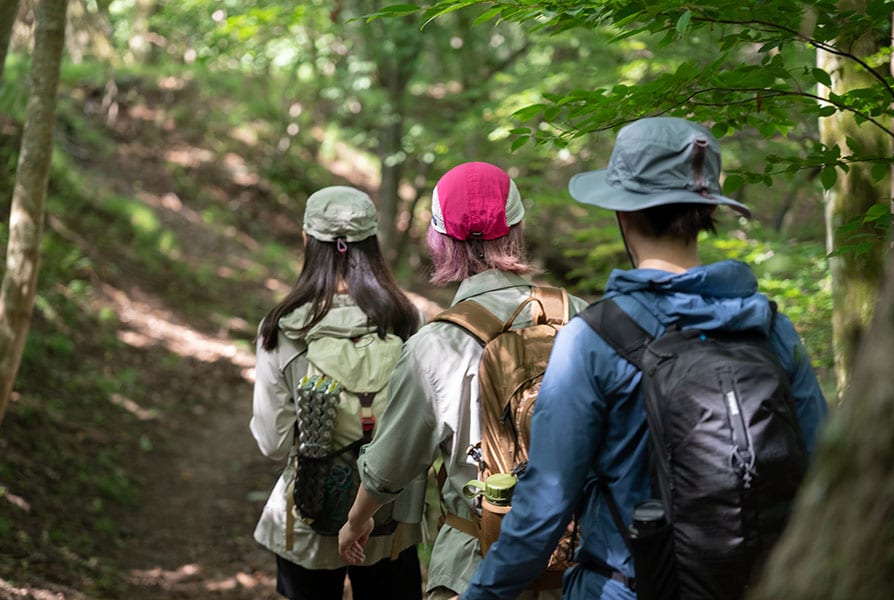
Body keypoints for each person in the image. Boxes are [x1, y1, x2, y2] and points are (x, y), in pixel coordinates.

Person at [462, 117, 830, 599]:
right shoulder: (770, 328)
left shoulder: (591, 341)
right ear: (707, 213)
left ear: (623, 213)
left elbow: (544, 509)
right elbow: (825, 470)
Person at [337, 161, 589, 600]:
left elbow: (390, 466)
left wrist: (357, 521)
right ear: (517, 229)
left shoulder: (436, 344)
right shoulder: (580, 316)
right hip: (581, 564)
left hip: (475, 566)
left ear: (440, 240)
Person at [250, 185, 424, 600]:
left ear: (307, 241)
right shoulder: (406, 319)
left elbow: (272, 444)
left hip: (309, 518)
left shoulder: (282, 328)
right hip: (390, 521)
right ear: (373, 245)